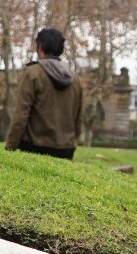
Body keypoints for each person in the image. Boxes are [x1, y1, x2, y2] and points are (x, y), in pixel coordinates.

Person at [5, 27, 82, 159]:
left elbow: (21, 114)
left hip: (35, 146)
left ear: (40, 47)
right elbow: (78, 117)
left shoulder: (32, 73)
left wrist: (10, 146)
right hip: (65, 148)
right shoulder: (75, 79)